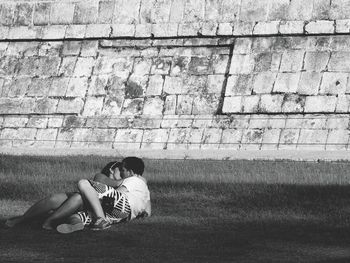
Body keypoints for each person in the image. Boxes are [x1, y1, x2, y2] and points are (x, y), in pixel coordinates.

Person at [56, 157, 151, 233]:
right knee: (75, 216)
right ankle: (76, 224)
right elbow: (148, 212)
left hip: (122, 205)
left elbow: (118, 194)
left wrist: (92, 197)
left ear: (130, 172)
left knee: (84, 183)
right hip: (122, 216)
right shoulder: (145, 190)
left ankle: (101, 219)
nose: (121, 173)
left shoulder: (134, 179)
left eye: (123, 170)